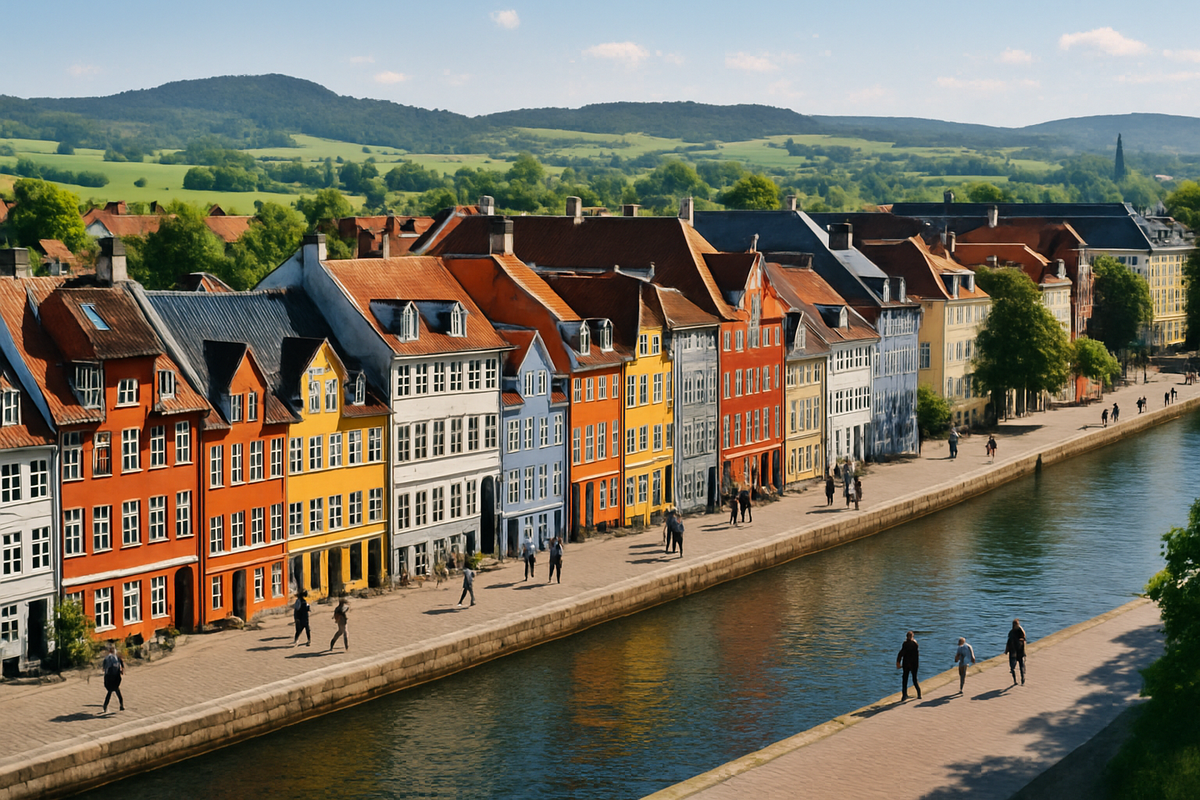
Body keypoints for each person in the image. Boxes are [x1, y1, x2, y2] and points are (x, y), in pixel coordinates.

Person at [896, 631, 921, 701]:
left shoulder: (905, 644)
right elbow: (917, 656)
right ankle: (919, 694)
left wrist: (898, 662)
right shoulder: (915, 644)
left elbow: (901, 654)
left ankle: (904, 696)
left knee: (905, 680)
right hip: (914, 664)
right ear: (912, 637)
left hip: (906, 664)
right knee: (914, 679)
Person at [101, 644, 124, 713]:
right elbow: (122, 667)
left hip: (109, 677)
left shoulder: (107, 658)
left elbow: (104, 669)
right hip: (116, 677)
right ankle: (121, 705)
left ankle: (105, 706)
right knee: (117, 691)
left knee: (110, 692)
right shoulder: (117, 658)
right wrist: (121, 671)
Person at [1005, 619, 1027, 686]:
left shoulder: (1020, 631)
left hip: (1019, 651)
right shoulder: (1011, 633)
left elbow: (1024, 637)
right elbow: (1008, 642)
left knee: (1021, 665)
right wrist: (1006, 650)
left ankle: (1022, 679)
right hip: (1013, 651)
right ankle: (1015, 681)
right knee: (1012, 667)